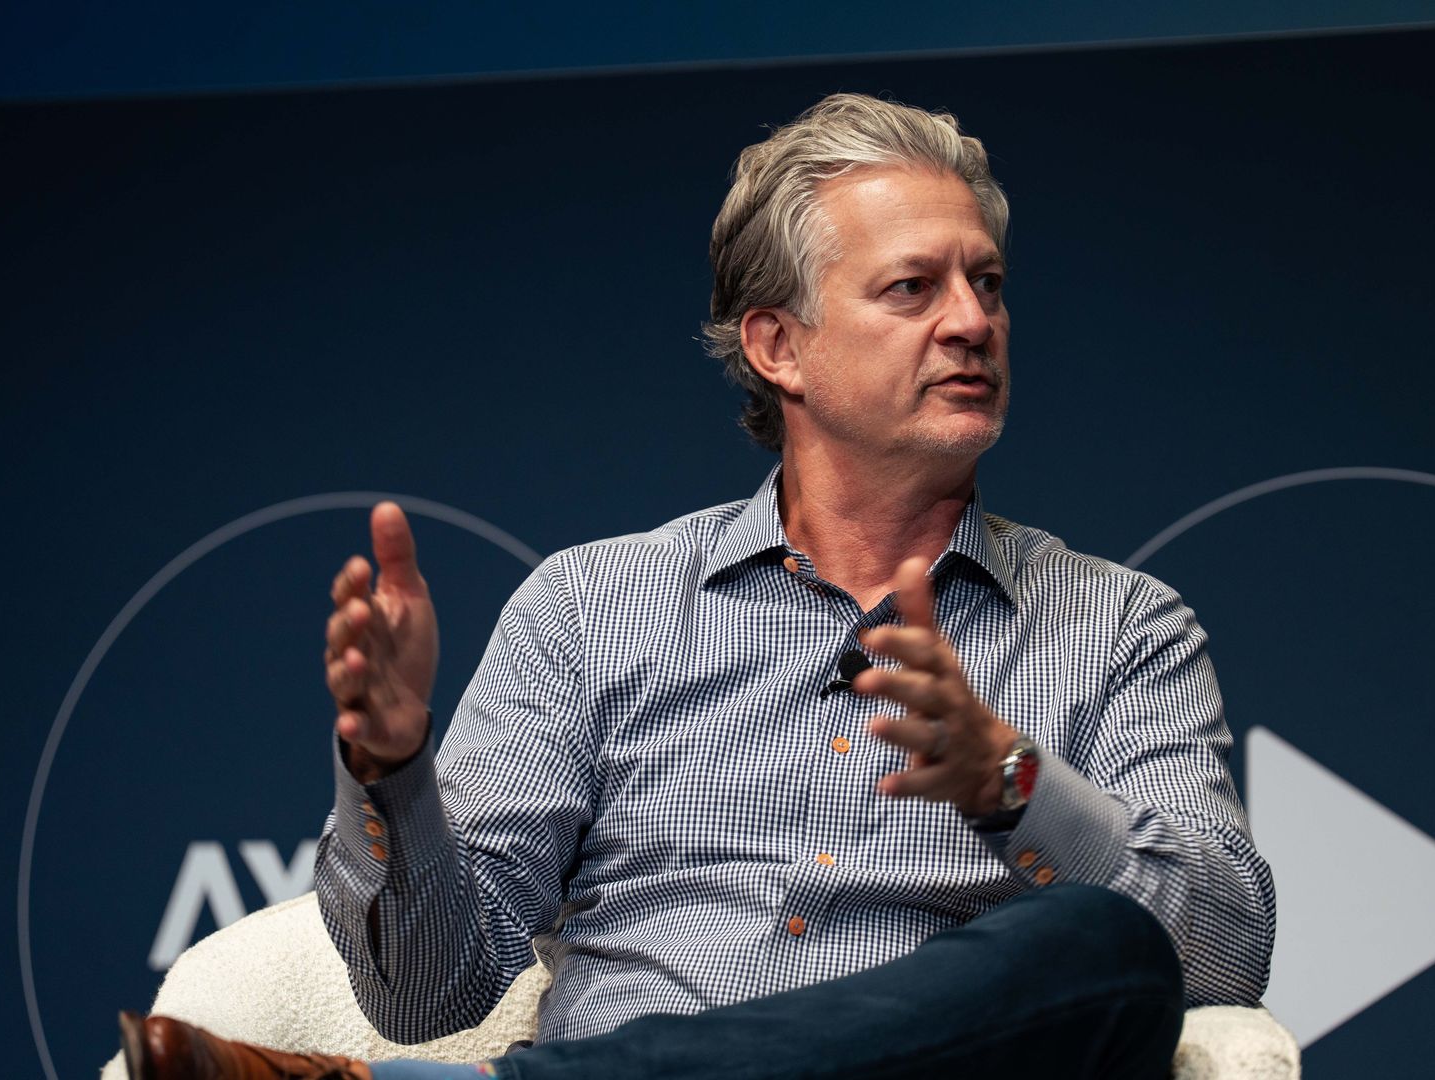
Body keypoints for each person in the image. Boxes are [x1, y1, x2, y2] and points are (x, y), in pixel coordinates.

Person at [119, 92, 1275, 1080]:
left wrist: (1013, 783)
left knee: (1101, 951)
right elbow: (428, 993)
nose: (973, 322)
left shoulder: (1124, 625)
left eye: (988, 283)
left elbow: (1224, 956)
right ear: (779, 347)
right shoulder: (591, 610)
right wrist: (391, 771)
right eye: (913, 288)